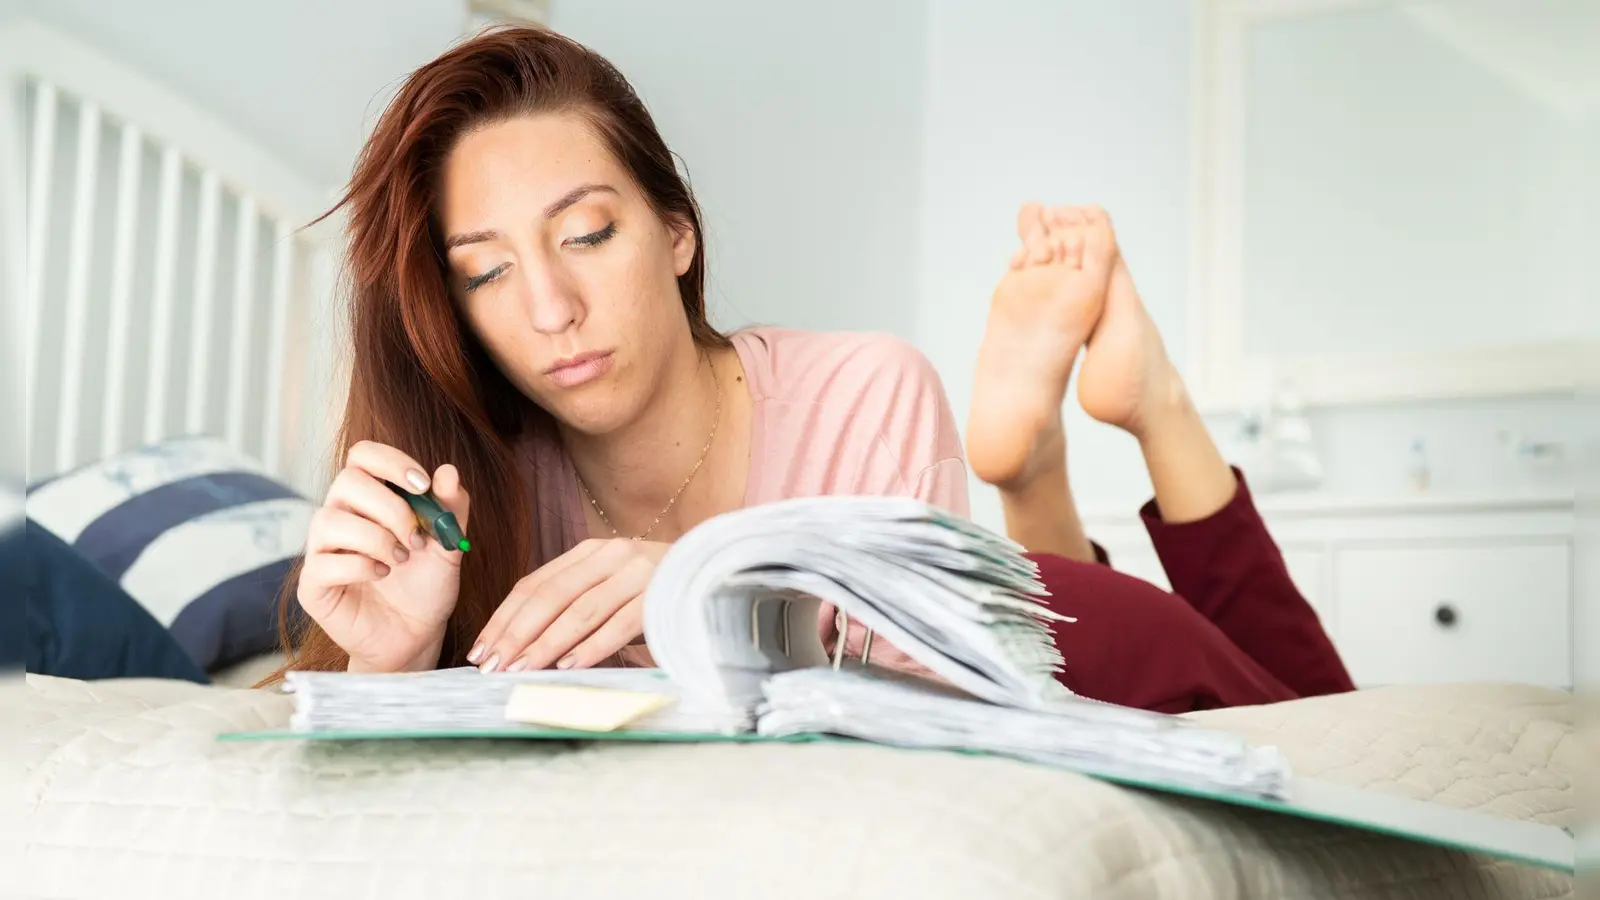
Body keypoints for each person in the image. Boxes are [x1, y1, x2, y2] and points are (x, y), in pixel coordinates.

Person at [271, 25, 1354, 712]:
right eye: (487, 272)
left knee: (1317, 724)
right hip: (1028, 627)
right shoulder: (472, 495)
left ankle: (1139, 414)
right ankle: (1043, 474)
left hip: (1037, 632)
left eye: (588, 234)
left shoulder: (861, 392)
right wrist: (391, 658)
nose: (550, 308)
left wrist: (707, 595)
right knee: (1304, 715)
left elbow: (949, 704)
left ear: (678, 233)